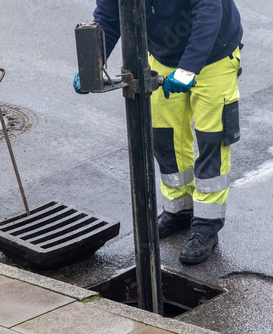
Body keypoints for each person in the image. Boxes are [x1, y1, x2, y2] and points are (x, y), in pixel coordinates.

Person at [74, 0, 243, 264]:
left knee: (212, 141)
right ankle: (179, 210)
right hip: (163, 57)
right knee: (165, 138)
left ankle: (207, 227)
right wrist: (91, 65)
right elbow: (109, 16)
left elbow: (208, 11)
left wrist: (188, 69)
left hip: (214, 56)